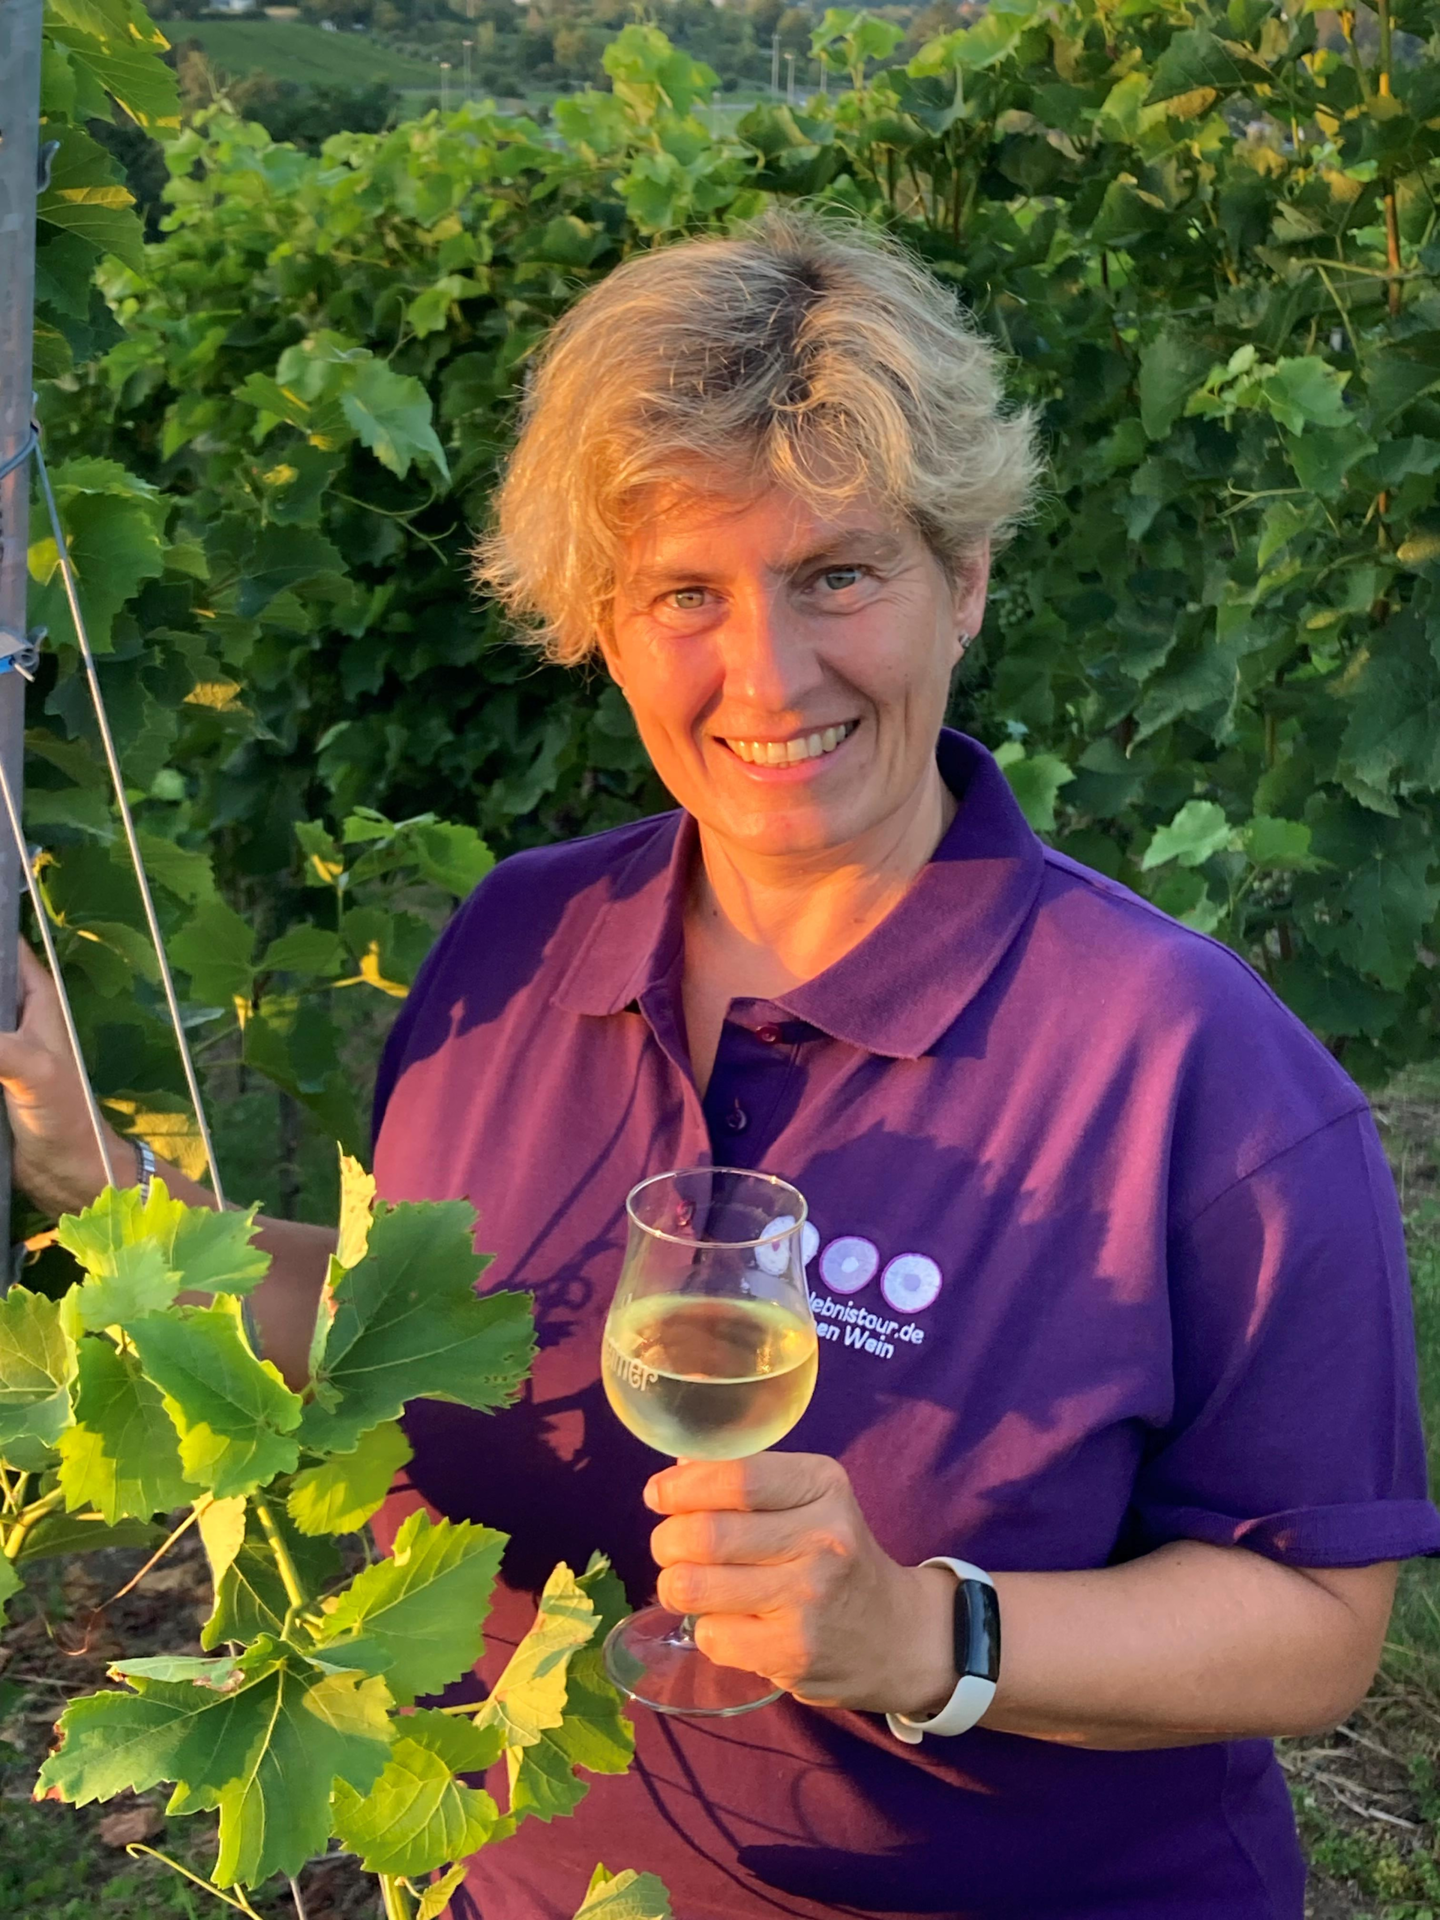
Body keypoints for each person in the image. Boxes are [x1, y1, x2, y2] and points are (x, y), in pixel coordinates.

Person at [7, 211, 1440, 1920]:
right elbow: (416, 1326)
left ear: (967, 582)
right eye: (687, 592)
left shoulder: (1192, 1069)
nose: (770, 671)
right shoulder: (515, 942)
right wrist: (103, 1175)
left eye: (840, 574)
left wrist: (929, 1634)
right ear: (601, 628)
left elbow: (1315, 1627)